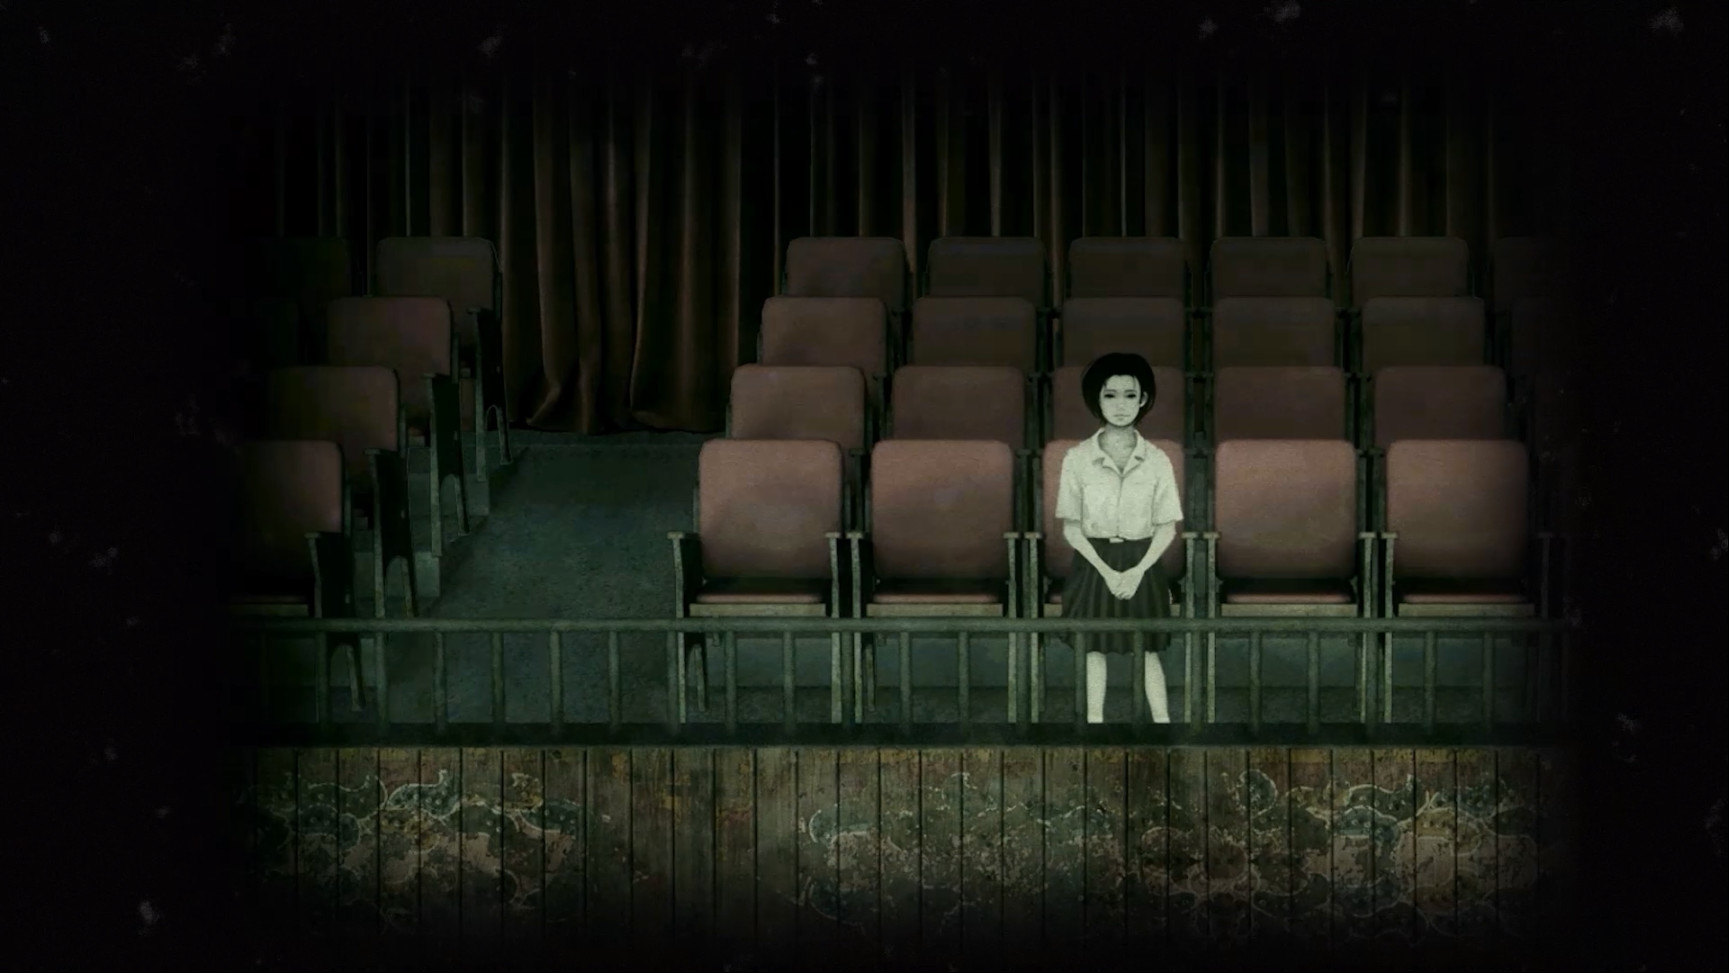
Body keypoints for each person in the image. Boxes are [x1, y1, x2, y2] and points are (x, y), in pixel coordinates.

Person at [1053, 352, 1182, 723]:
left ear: (1143, 400)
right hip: (1094, 562)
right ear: (1097, 400)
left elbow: (1167, 527)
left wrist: (1137, 571)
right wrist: (1108, 573)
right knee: (1094, 647)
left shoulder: (1157, 459)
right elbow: (1071, 527)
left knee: (1147, 648)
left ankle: (1162, 724)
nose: (1120, 405)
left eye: (1130, 395)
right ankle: (1094, 724)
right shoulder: (1076, 458)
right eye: (1110, 395)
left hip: (1144, 561)